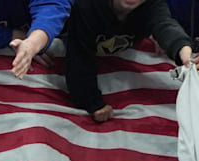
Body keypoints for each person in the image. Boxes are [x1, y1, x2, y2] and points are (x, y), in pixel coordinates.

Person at [64, 0, 199, 121]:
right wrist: (92, 103)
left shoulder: (152, 6)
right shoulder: (87, 6)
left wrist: (186, 55)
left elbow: (165, 26)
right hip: (72, 45)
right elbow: (78, 56)